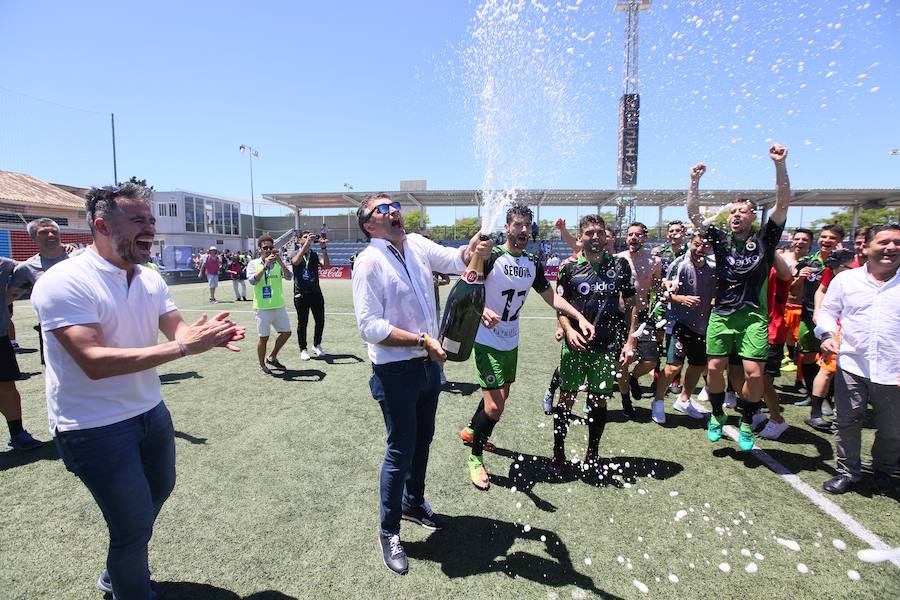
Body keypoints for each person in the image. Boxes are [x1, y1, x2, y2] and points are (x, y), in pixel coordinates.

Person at [30, 183, 244, 599]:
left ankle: (116, 576)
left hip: (149, 412)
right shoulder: (65, 282)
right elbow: (93, 361)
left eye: (151, 219)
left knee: (156, 494)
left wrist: (203, 335)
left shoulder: (149, 278)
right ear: (101, 226)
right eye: (138, 220)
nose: (150, 227)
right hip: (92, 426)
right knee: (132, 526)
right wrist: (183, 346)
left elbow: (176, 328)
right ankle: (129, 589)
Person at [352, 192, 492, 575]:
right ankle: (388, 530)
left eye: (393, 204)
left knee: (424, 439)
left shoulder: (414, 243)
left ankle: (414, 503)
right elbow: (369, 327)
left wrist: (472, 249)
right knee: (400, 449)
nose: (393, 210)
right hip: (396, 371)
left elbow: (455, 259)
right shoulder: (368, 261)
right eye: (382, 208)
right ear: (369, 224)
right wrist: (420, 341)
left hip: (429, 368)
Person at [460, 205, 594, 490]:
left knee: (500, 400)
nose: (523, 231)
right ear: (507, 228)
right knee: (495, 407)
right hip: (486, 341)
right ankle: (475, 458)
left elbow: (551, 298)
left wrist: (578, 316)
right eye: (517, 225)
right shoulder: (492, 255)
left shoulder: (532, 262)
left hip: (511, 341)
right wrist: (481, 308)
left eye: (527, 226)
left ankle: (473, 430)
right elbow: (467, 288)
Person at [687, 144, 791, 451]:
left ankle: (746, 419)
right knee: (715, 367)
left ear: (752, 216)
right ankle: (718, 414)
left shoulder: (765, 239)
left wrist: (780, 166)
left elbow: (783, 203)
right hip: (722, 315)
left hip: (753, 317)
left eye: (741, 211)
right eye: (732, 211)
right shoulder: (719, 240)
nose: (735, 216)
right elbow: (694, 215)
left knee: (753, 373)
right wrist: (694, 182)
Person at [817, 224, 900, 496]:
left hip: (894, 370)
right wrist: (827, 334)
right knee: (847, 421)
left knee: (892, 429)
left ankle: (884, 471)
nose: (891, 248)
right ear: (866, 247)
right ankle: (847, 471)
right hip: (852, 364)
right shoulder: (846, 280)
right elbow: (828, 311)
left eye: (897, 243)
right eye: (884, 242)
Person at [550, 214, 637, 474]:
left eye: (600, 232)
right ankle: (558, 452)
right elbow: (560, 308)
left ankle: (593, 453)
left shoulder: (620, 266)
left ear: (606, 236)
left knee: (599, 401)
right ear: (580, 238)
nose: (595, 236)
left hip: (606, 346)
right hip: (575, 346)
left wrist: (630, 341)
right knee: (566, 398)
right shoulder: (569, 268)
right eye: (590, 233)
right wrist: (567, 331)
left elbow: (632, 307)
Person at [649, 233, 716, 423]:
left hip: (703, 325)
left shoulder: (712, 268)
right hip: (679, 324)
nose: (700, 249)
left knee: (698, 365)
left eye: (704, 245)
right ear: (690, 244)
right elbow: (664, 292)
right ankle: (658, 401)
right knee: (673, 366)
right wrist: (680, 298)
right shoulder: (680, 264)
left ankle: (684, 399)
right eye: (696, 244)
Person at [8, 218, 73, 365]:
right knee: (55, 372)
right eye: (44, 232)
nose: (51, 235)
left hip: (91, 321)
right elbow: (9, 297)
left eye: (54, 231)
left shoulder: (79, 256)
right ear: (33, 238)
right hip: (52, 330)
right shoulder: (26, 268)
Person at [791, 224, 843, 409]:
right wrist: (800, 278)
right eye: (824, 236)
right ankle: (812, 393)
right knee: (806, 356)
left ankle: (826, 399)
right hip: (808, 315)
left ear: (839, 242)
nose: (826, 240)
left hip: (835, 319)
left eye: (832, 238)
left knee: (829, 358)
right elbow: (794, 290)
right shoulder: (808, 261)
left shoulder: (844, 264)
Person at [615, 222, 662, 418]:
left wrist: (665, 287)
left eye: (638, 234)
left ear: (645, 238)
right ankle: (626, 398)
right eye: (630, 234)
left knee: (651, 360)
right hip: (620, 316)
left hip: (643, 316)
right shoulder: (617, 259)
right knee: (622, 363)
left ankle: (635, 378)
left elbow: (657, 287)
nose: (633, 237)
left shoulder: (655, 262)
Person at [246, 236, 293, 375]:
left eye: (270, 247)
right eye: (265, 248)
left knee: (286, 333)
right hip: (262, 308)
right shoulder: (253, 264)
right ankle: (262, 366)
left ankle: (272, 357)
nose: (268, 250)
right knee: (263, 338)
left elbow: (289, 277)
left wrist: (280, 262)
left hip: (278, 305)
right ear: (259, 249)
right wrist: (266, 266)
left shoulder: (278, 262)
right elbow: (253, 281)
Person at [291, 231, 330, 361]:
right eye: (305, 237)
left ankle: (317, 345)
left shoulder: (314, 254)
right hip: (301, 294)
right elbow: (296, 262)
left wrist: (323, 248)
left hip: (316, 293)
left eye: (310, 237)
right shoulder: (295, 253)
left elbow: (326, 264)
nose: (308, 239)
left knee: (320, 321)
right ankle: (303, 349)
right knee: (303, 323)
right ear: (299, 240)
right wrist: (305, 245)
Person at [781, 229, 813, 380]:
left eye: (805, 240)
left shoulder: (814, 263)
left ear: (811, 243)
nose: (800, 242)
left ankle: (800, 381)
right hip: (783, 307)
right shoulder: (783, 259)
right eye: (797, 239)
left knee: (802, 348)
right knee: (777, 342)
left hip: (803, 309)